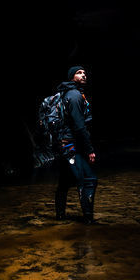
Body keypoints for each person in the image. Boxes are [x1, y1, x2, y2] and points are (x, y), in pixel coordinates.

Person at [53, 65, 98, 223]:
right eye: (79, 73)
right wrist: (90, 149)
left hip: (64, 144)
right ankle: (88, 218)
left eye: (85, 72)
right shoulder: (74, 95)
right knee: (89, 179)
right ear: (72, 77)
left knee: (64, 181)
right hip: (72, 144)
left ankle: (60, 216)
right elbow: (79, 126)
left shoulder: (65, 93)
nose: (84, 75)